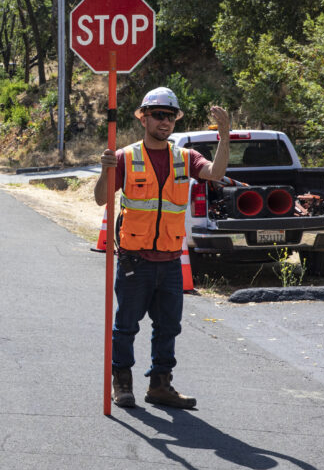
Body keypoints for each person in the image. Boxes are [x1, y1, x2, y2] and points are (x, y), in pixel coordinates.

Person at [94, 87, 230, 409]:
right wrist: (105, 169)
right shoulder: (127, 157)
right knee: (126, 326)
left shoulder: (186, 157)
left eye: (170, 116)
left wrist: (224, 136)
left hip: (170, 262)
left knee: (168, 327)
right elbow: (102, 198)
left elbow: (217, 173)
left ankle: (160, 385)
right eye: (158, 115)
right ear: (144, 118)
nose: (164, 121)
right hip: (134, 261)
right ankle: (122, 382)